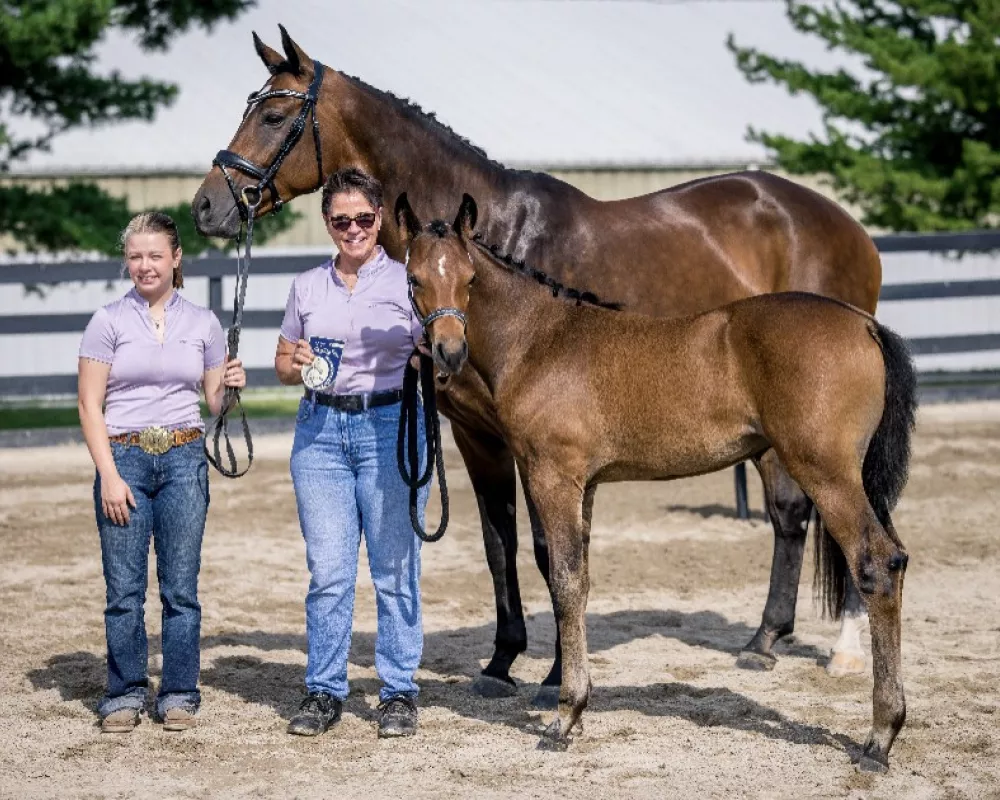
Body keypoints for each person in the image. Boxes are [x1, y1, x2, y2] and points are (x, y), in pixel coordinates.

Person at [275, 167, 429, 739]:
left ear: (380, 219)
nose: (354, 229)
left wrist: (424, 358)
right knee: (330, 572)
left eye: (364, 219)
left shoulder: (408, 281)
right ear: (327, 224)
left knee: (394, 569)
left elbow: (437, 347)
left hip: (390, 423)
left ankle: (398, 691)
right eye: (341, 221)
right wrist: (296, 364)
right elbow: (284, 360)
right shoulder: (307, 286)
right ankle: (324, 689)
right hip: (320, 432)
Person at [77, 212, 246, 733]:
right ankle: (124, 691)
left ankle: (178, 692)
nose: (144, 266)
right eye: (135, 256)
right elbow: (89, 405)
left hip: (183, 458)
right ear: (126, 261)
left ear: (176, 259)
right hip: (124, 457)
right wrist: (108, 474)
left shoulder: (205, 324)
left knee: (180, 588)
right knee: (124, 590)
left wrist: (232, 386)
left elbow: (214, 403)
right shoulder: (107, 321)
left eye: (155, 255)